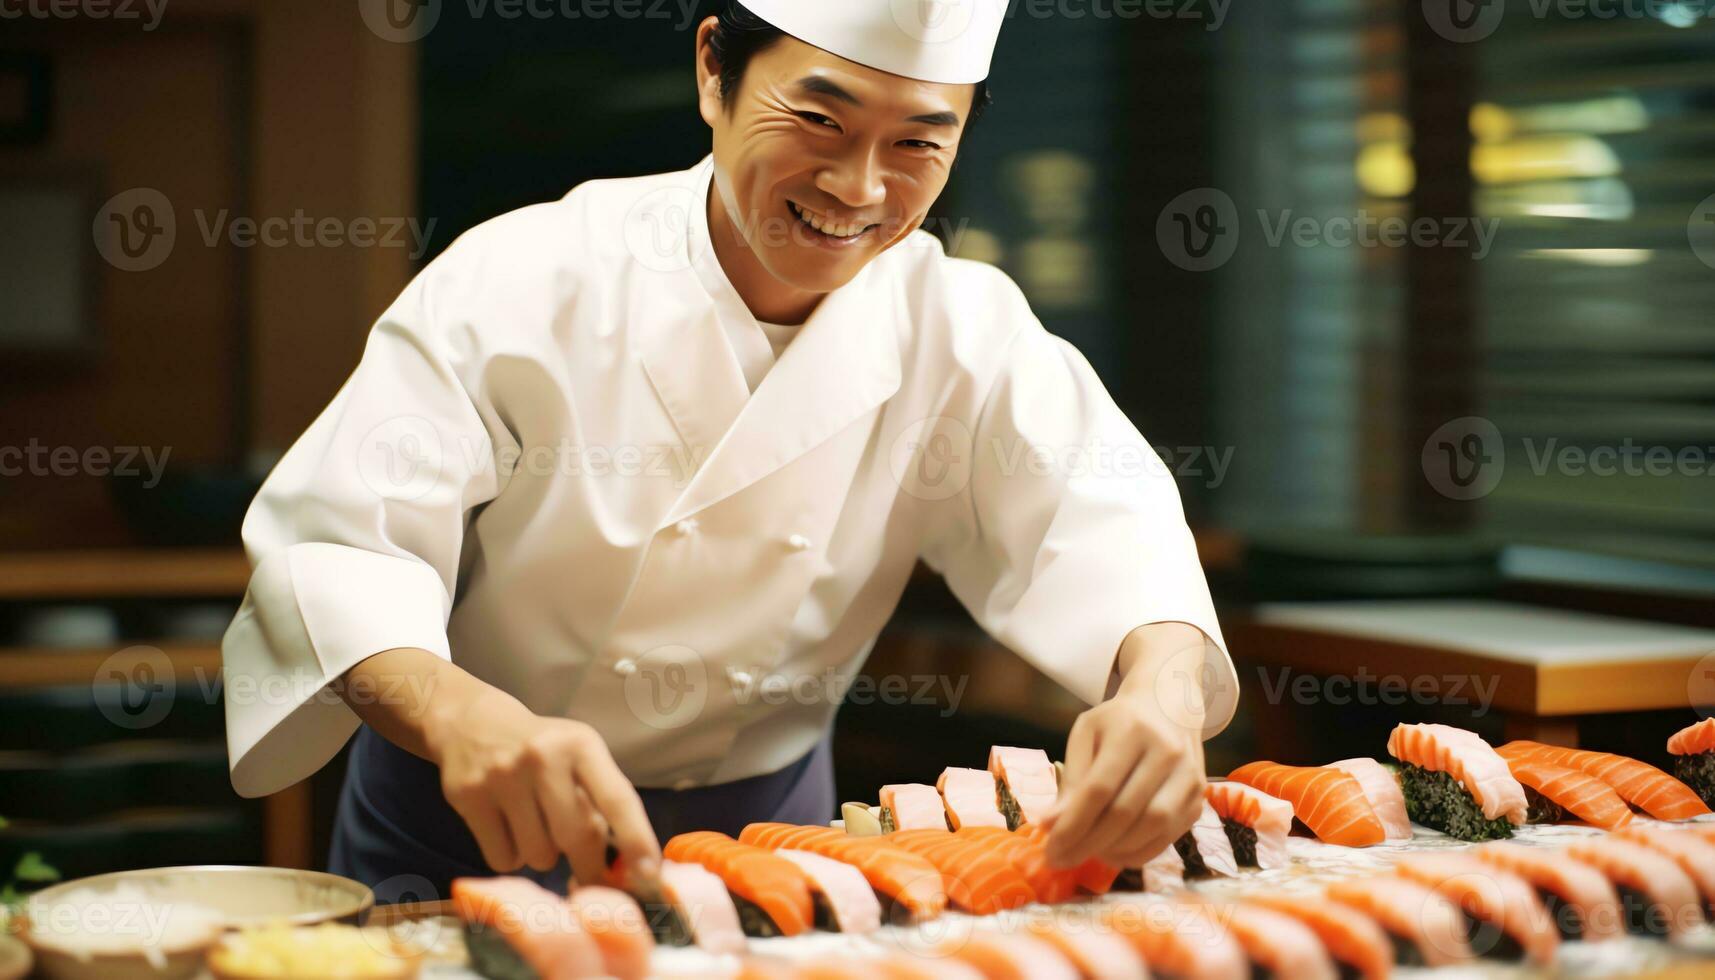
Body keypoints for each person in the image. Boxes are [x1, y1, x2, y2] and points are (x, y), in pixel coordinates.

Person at [221, 0, 1239, 901]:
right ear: (713, 67)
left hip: (767, 839)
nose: (857, 186)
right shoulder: (524, 277)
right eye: (818, 120)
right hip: (468, 818)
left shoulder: (959, 326)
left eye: (917, 144)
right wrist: (460, 716)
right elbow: (340, 548)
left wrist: (1156, 686)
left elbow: (1106, 517)